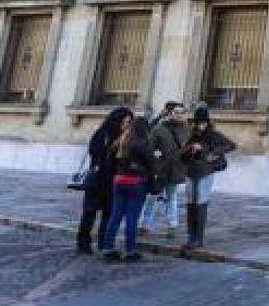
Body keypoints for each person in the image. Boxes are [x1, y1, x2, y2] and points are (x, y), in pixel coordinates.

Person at [76, 106, 132, 255]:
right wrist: (113, 147)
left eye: (129, 122)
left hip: (113, 181)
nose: (127, 125)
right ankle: (83, 242)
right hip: (97, 179)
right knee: (89, 212)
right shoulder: (102, 134)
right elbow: (95, 152)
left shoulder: (126, 137)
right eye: (125, 121)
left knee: (108, 214)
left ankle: (103, 243)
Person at [180, 103, 236, 251]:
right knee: (191, 204)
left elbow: (231, 145)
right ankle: (191, 237)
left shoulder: (213, 135)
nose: (201, 126)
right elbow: (181, 154)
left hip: (205, 173)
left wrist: (212, 152)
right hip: (191, 173)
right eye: (199, 123)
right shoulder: (190, 134)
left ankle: (198, 238)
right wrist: (191, 149)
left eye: (204, 123)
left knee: (200, 204)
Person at [100, 114, 154, 262]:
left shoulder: (121, 141)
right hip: (136, 183)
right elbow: (151, 165)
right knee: (132, 217)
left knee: (115, 215)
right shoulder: (143, 143)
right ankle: (130, 250)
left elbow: (109, 160)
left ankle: (107, 248)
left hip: (118, 181)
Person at [141, 102, 188, 238]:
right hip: (159, 169)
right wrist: (155, 154)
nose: (179, 115)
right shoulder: (159, 129)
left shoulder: (187, 130)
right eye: (176, 112)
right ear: (170, 113)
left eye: (182, 112)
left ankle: (172, 225)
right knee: (153, 197)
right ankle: (144, 225)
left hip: (176, 169)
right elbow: (150, 148)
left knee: (171, 197)